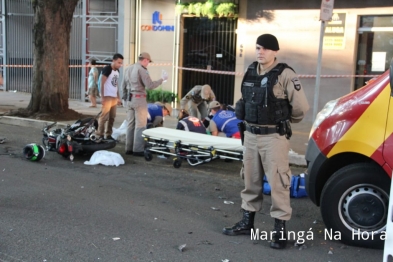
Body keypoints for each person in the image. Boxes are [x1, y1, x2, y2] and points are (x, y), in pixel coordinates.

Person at [222, 34, 309, 249]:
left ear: (275, 51)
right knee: (250, 180)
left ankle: (279, 231)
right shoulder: (251, 71)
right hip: (250, 135)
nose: (261, 52)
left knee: (279, 183)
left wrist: (283, 121)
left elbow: (300, 109)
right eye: (258, 48)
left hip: (273, 137)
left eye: (266, 48)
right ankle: (247, 223)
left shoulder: (285, 74)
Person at [122, 52, 168, 156]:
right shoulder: (142, 70)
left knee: (130, 125)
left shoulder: (128, 68)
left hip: (129, 99)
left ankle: (128, 148)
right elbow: (150, 85)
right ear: (145, 60)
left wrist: (124, 98)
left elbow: (123, 85)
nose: (148, 64)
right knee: (140, 125)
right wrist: (162, 79)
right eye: (148, 62)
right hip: (139, 100)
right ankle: (137, 150)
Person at [94, 53, 124, 140]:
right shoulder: (107, 69)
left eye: (121, 63)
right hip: (107, 96)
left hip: (114, 97)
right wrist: (102, 96)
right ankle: (100, 134)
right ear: (113, 61)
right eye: (118, 62)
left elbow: (116, 84)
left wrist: (118, 97)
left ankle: (108, 134)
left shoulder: (117, 71)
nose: (120, 65)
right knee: (104, 117)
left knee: (112, 117)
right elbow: (102, 83)